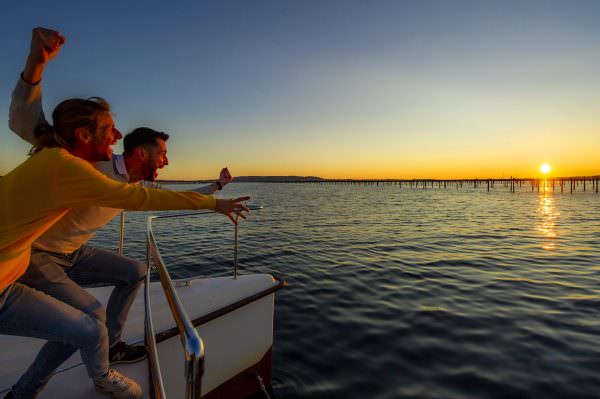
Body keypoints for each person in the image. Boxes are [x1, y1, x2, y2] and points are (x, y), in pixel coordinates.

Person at [0, 28, 249, 399]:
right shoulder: (83, 165)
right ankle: (48, 383)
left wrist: (216, 189)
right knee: (87, 321)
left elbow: (157, 198)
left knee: (135, 272)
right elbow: (27, 122)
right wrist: (35, 66)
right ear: (142, 152)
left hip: (72, 252)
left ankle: (110, 344)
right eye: (162, 153)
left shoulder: (126, 181)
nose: (166, 160)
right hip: (39, 254)